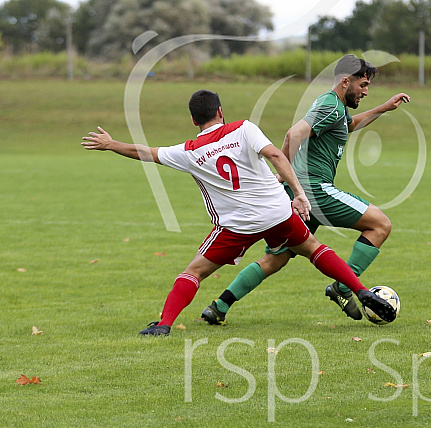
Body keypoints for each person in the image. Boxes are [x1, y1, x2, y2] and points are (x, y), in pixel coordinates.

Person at [81, 89, 397, 336]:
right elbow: (275, 154)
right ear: (220, 111)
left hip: (236, 226)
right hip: (277, 212)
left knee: (195, 271)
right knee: (314, 249)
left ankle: (164, 323)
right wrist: (298, 195)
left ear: (194, 121)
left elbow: (144, 153)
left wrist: (110, 144)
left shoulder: (189, 151)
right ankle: (359, 290)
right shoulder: (244, 129)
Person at [200, 55, 410, 325]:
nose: (366, 92)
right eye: (363, 85)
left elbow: (348, 126)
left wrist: (383, 108)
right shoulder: (329, 106)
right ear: (346, 81)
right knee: (380, 225)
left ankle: (219, 306)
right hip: (315, 192)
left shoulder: (335, 107)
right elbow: (293, 134)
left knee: (276, 259)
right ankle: (343, 287)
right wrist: (284, 173)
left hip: (298, 196)